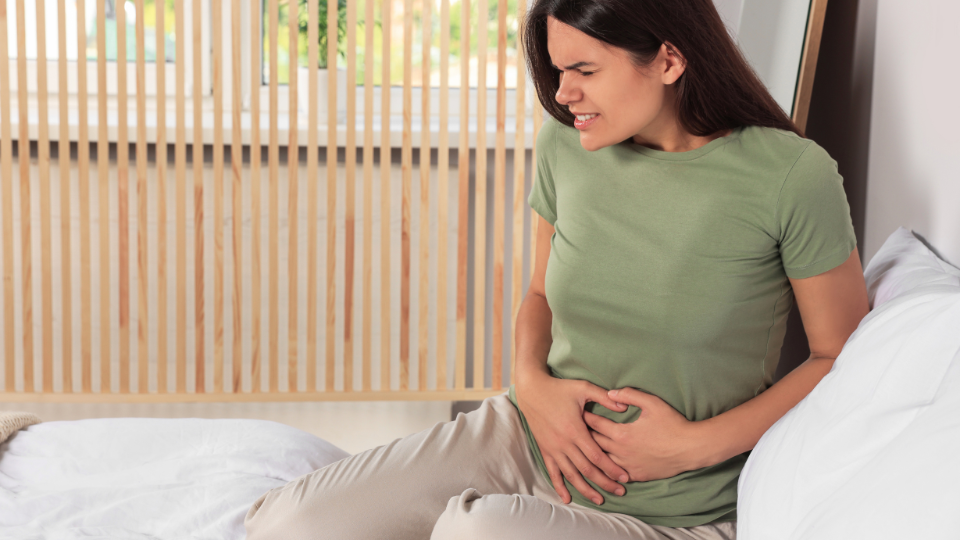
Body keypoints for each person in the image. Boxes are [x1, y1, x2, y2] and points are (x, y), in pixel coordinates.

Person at [244, 0, 870, 538]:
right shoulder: (566, 145)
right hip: (526, 436)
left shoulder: (790, 176)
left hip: (672, 506)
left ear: (670, 61)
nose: (563, 93)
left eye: (584, 70)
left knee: (477, 529)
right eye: (557, 69)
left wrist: (692, 445)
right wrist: (532, 386)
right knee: (285, 526)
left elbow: (836, 354)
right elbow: (540, 292)